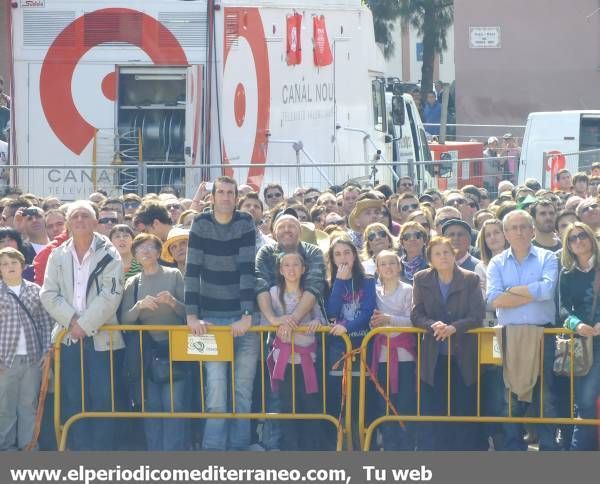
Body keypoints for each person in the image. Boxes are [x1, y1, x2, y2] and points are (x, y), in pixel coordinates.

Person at [40, 200, 124, 450]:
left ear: (96, 221)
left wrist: (84, 325)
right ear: (67, 223)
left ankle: (101, 455)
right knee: (72, 398)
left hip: (102, 340)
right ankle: (76, 452)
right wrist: (72, 321)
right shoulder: (57, 254)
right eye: (74, 216)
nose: (79, 220)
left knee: (102, 398)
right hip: (67, 338)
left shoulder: (110, 253)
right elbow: (48, 293)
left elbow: (111, 294)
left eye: (85, 216)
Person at [184, 176, 258, 451]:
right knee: (215, 389)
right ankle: (213, 451)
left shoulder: (245, 222)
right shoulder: (200, 223)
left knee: (242, 390)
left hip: (243, 318)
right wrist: (192, 316)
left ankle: (239, 448)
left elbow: (247, 270)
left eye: (231, 192)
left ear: (237, 196)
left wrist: (248, 314)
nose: (226, 197)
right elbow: (191, 272)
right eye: (221, 192)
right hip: (209, 319)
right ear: (212, 197)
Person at [486, 209, 560, 451]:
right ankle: (512, 449)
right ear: (506, 233)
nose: (518, 232)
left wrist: (512, 292)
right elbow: (494, 299)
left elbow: (547, 291)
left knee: (545, 395)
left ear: (532, 230)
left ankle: (548, 448)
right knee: (508, 397)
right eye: (513, 228)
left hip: (543, 335)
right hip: (507, 336)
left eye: (523, 227)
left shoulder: (548, 258)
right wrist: (532, 291)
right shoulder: (496, 262)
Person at [411, 236, 485, 450]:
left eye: (446, 252)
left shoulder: (470, 279)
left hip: (463, 354)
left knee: (464, 409)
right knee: (435, 410)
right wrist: (433, 324)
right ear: (430, 259)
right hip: (434, 355)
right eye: (437, 254)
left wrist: (455, 327)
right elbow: (416, 314)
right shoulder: (420, 278)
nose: (442, 257)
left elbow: (476, 314)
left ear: (454, 255)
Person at [120, 233, 187, 451]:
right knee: (152, 405)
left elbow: (188, 314)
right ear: (136, 255)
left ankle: (172, 455)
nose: (146, 251)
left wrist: (173, 302)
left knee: (173, 404)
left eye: (150, 247)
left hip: (175, 348)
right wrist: (139, 306)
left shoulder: (174, 274)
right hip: (146, 351)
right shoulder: (132, 282)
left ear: (159, 252)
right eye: (140, 249)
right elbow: (124, 321)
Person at [264, 252, 326, 450]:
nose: (291, 269)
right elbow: (265, 322)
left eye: (296, 265)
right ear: (281, 270)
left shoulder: (309, 294)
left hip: (307, 358)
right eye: (287, 265)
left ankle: (310, 452)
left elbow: (321, 319)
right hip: (283, 360)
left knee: (309, 406)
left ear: (303, 268)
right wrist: (279, 321)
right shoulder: (273, 293)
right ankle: (290, 451)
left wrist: (316, 322)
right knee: (286, 407)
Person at [0, 247, 54, 450]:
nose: (10, 267)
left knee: (29, 406)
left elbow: (45, 323)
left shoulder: (35, 290)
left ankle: (29, 447)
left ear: (22, 266)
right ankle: (5, 449)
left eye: (13, 262)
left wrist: (47, 351)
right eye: (4, 264)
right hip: (5, 359)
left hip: (32, 358)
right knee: (4, 407)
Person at [326, 236, 376, 447]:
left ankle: (367, 447)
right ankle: (344, 446)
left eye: (347, 252)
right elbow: (331, 312)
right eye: (337, 254)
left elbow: (367, 312)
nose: (343, 258)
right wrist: (339, 282)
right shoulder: (329, 283)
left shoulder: (368, 280)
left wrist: (347, 327)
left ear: (355, 255)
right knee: (342, 402)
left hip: (364, 346)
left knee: (365, 403)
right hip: (339, 350)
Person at [558, 222, 600, 450]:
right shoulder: (568, 274)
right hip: (583, 344)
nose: (578, 240)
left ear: (591, 237)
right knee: (584, 402)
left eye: (582, 235)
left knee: (586, 401)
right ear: (568, 246)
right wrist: (577, 324)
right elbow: (563, 308)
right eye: (572, 238)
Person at [369, 250, 416, 450]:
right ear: (377, 269)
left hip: (404, 355)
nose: (388, 268)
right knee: (383, 403)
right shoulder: (374, 292)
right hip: (381, 356)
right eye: (383, 264)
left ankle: (405, 447)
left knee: (404, 402)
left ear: (399, 266)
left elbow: (413, 321)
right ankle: (389, 446)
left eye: (392, 263)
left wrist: (389, 319)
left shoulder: (408, 290)